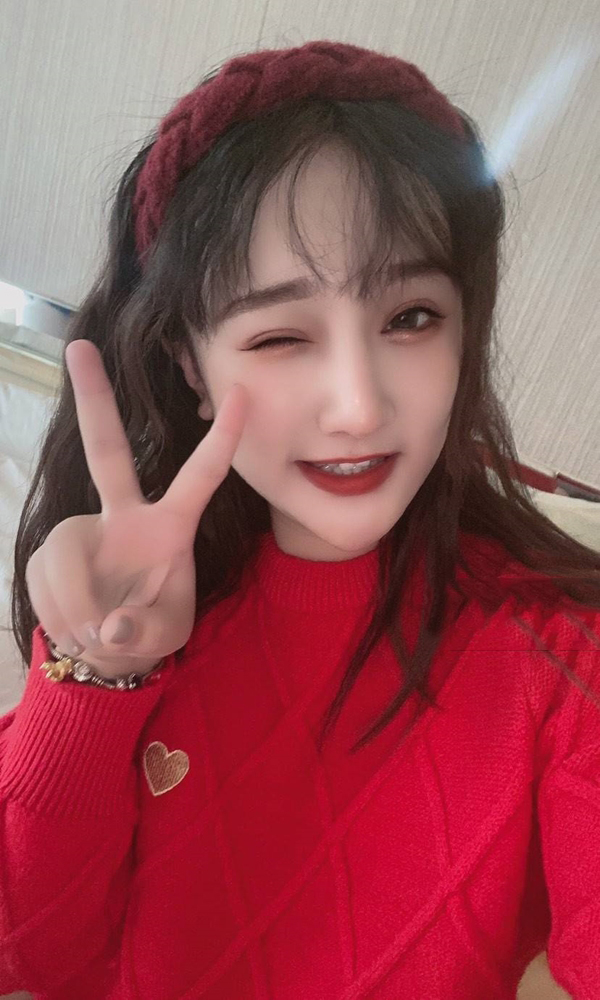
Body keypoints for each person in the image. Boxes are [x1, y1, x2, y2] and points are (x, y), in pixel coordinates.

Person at [0, 39, 599, 1000]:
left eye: (412, 318)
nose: (358, 407)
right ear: (191, 366)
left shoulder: (563, 657)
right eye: (281, 335)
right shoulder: (143, 610)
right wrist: (97, 675)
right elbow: (35, 954)